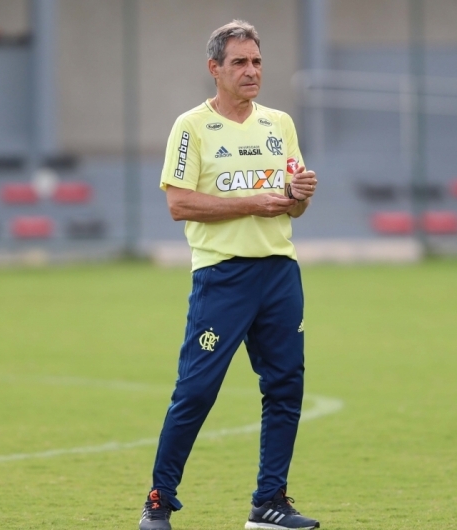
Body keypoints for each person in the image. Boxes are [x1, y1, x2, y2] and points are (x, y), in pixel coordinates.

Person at [139, 19, 320, 530]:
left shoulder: (280, 123)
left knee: (286, 387)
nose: (251, 71)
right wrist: (251, 204)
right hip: (223, 277)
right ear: (214, 68)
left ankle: (269, 504)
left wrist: (299, 195)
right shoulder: (191, 126)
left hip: (280, 273)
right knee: (196, 391)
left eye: (257, 61)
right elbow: (178, 204)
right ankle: (158, 500)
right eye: (239, 62)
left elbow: (290, 209)